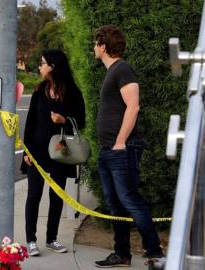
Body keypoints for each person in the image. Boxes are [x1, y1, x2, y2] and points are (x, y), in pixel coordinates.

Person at [92, 25, 166, 269]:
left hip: (122, 149)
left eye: (96, 43)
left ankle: (155, 253)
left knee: (129, 199)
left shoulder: (122, 69)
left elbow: (133, 106)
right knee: (115, 204)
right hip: (108, 150)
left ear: (103, 46)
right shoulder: (112, 71)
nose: (94, 48)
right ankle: (121, 254)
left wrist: (121, 142)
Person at [21, 49, 85, 256]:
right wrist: (26, 152)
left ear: (53, 67)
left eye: (43, 63)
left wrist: (64, 120)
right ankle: (31, 240)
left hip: (61, 150)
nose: (40, 67)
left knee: (56, 195)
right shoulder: (39, 92)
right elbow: (30, 124)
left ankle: (52, 239)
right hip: (37, 151)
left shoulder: (72, 92)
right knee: (34, 195)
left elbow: (81, 122)